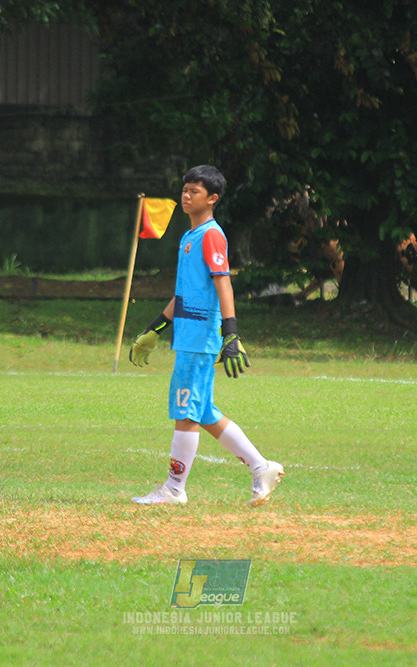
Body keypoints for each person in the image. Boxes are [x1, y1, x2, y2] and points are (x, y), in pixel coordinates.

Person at [128, 165, 285, 506]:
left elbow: (223, 281)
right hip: (187, 335)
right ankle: (262, 467)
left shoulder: (212, 234)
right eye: (184, 190)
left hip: (200, 338)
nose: (186, 196)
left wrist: (231, 332)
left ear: (212, 198)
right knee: (203, 411)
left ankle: (174, 489)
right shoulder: (189, 237)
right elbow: (184, 292)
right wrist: (154, 329)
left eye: (194, 191)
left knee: (185, 411)